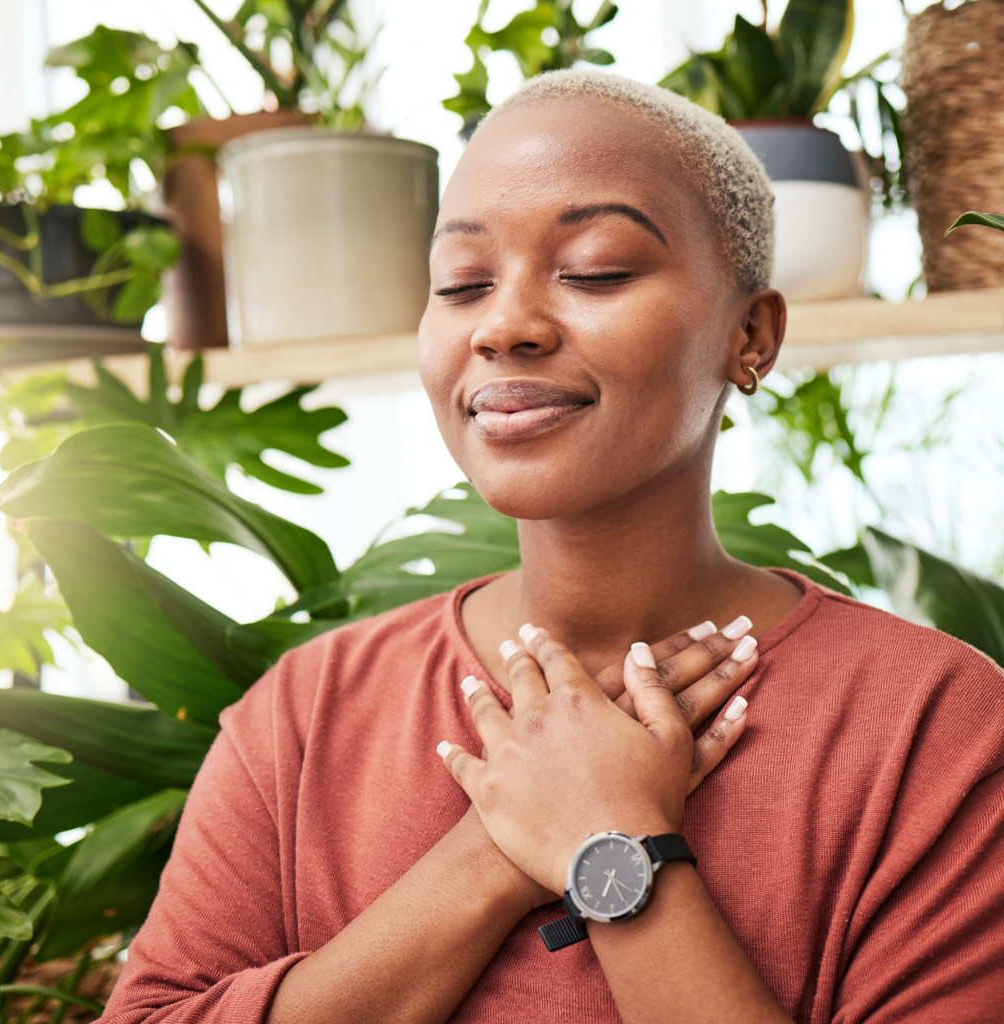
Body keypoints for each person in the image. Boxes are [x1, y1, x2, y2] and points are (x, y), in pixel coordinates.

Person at [102, 70, 1004, 1024]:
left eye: (596, 270)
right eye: (461, 284)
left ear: (751, 335)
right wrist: (492, 851)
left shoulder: (933, 728)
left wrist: (612, 844)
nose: (504, 326)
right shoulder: (305, 713)